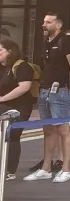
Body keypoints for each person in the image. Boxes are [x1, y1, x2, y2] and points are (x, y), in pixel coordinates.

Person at [25, 13, 70, 184]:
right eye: (44, 21)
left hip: (60, 90)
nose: (44, 24)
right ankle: (46, 168)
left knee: (63, 130)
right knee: (48, 130)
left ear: (58, 25)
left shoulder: (66, 41)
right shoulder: (47, 42)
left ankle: (65, 169)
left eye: (48, 22)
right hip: (45, 89)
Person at [0, 38, 36, 180]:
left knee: (13, 135)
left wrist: (3, 99)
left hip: (19, 106)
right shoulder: (3, 68)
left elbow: (24, 87)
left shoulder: (22, 67)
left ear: (10, 51)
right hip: (4, 106)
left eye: (0, 50)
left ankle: (9, 170)